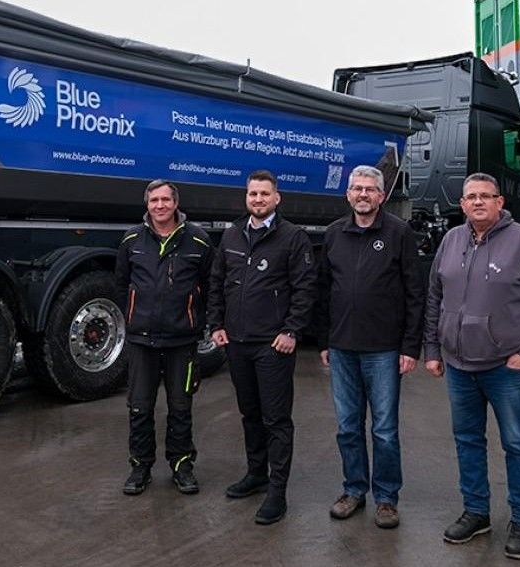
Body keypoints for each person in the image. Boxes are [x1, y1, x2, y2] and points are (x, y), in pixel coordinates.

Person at [423, 172, 520, 560]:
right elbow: (435, 296)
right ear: (462, 204)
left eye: (486, 196)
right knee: (467, 442)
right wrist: (432, 348)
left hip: (506, 368)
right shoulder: (451, 240)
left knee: (517, 444)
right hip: (458, 366)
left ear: (500, 202)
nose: (478, 202)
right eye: (471, 197)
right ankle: (476, 512)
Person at [315, 165, 425, 529]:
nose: (363, 194)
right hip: (342, 348)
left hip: (384, 350)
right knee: (347, 427)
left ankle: (387, 498)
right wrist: (324, 341)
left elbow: (415, 293)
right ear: (347, 195)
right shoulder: (333, 234)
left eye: (370, 189)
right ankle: (354, 490)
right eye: (356, 189)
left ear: (381, 196)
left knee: (384, 430)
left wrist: (410, 346)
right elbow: (322, 292)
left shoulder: (399, 233)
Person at [207, 170, 317, 525]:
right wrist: (217, 324)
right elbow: (217, 282)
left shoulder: (292, 238)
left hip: (273, 346)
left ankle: (277, 492)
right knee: (250, 415)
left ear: (276, 198)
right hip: (237, 343)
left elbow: (305, 290)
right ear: (246, 198)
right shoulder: (232, 234)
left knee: (276, 420)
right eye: (253, 194)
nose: (258, 199)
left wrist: (291, 331)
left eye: (264, 194)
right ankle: (256, 474)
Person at [116, 180, 214, 496]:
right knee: (140, 408)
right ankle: (140, 467)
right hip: (141, 341)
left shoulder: (197, 241)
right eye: (154, 200)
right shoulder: (131, 239)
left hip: (181, 342)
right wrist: (134, 315)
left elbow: (209, 286)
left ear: (176, 203)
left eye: (165, 200)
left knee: (180, 407)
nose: (160, 206)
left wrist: (197, 320)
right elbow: (121, 283)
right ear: (147, 205)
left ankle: (182, 465)